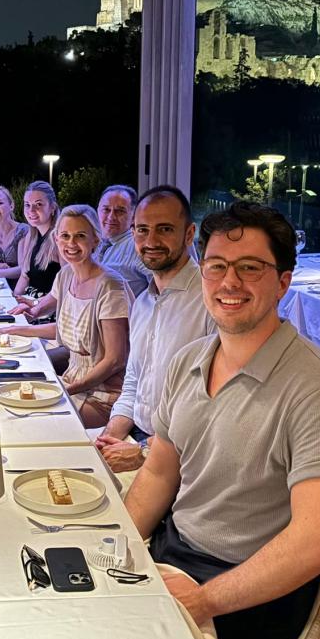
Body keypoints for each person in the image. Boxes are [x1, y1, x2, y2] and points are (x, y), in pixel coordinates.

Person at [124, 201, 320, 639]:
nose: (229, 282)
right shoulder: (189, 361)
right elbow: (157, 475)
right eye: (216, 267)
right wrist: (120, 553)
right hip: (174, 553)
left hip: (248, 597)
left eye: (250, 268)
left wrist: (203, 602)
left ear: (283, 281)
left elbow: (319, 541)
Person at [95, 186, 214, 473]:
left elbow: (215, 407)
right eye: (142, 230)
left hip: (184, 460)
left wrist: (143, 451)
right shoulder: (144, 302)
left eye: (164, 230)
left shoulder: (210, 300)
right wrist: (111, 434)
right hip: (138, 438)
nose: (151, 241)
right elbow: (134, 380)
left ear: (189, 234)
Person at [4, 205, 130, 428]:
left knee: (32, 424)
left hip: (103, 395)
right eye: (65, 236)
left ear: (95, 240)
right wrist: (11, 327)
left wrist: (66, 389)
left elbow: (115, 360)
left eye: (80, 236)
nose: (71, 244)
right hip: (73, 378)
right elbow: (55, 320)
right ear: (56, 239)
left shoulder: (110, 285)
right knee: (10, 408)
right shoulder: (65, 275)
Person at [96, 185, 151, 297]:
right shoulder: (94, 243)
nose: (111, 217)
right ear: (97, 211)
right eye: (106, 209)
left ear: (133, 216)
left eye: (120, 211)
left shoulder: (137, 245)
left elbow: (163, 287)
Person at [13, 180, 61, 307]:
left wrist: (34, 304)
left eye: (38, 204)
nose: (31, 210)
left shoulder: (60, 239)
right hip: (28, 306)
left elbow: (66, 290)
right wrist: (12, 301)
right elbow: (25, 277)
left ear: (52, 208)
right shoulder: (31, 235)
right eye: (27, 205)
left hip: (48, 312)